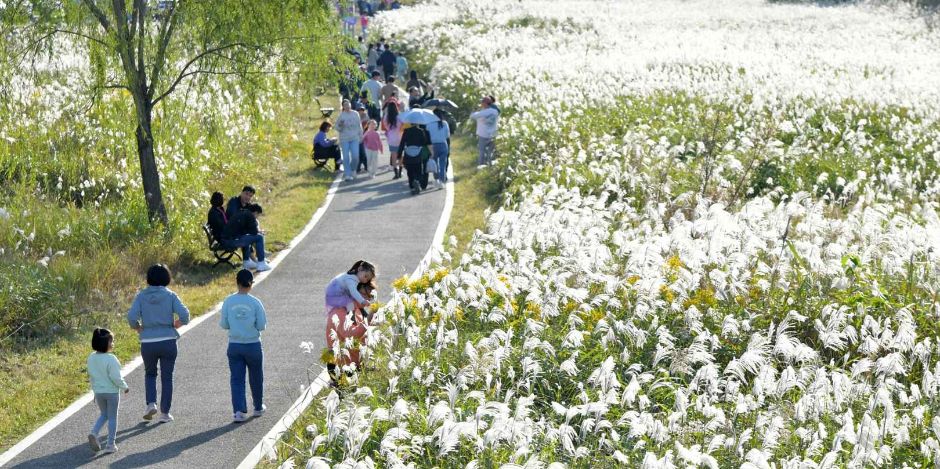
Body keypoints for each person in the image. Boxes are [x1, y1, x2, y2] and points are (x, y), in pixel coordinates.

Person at [127, 264, 190, 424]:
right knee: (167, 377)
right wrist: (177, 324)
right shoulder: (170, 295)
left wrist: (138, 328)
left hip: (148, 342)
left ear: (149, 278)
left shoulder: (141, 296)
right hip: (168, 340)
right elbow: (185, 315)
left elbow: (131, 317)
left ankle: (150, 404)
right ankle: (165, 413)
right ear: (166, 278)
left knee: (150, 374)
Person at [220, 269, 267, 423]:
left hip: (234, 344)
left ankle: (239, 411)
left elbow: (224, 324)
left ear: (237, 282)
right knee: (256, 376)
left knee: (237, 379)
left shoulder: (228, 301)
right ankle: (258, 407)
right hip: (253, 344)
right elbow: (261, 325)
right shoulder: (255, 302)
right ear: (251, 284)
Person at [324, 260, 376, 383]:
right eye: (363, 295)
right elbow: (351, 334)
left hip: (350, 362)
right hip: (342, 365)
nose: (366, 299)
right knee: (344, 392)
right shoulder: (340, 313)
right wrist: (369, 318)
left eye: (368, 296)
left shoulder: (355, 308)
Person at [87, 328, 129, 454]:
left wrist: (95, 391)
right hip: (111, 393)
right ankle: (111, 444)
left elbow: (92, 376)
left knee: (104, 414)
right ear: (105, 343)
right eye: (111, 341)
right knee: (112, 417)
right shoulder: (111, 359)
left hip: (99, 392)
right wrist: (124, 387)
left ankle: (94, 432)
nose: (113, 343)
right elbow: (116, 377)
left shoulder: (91, 358)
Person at [335, 99, 363, 181]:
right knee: (346, 157)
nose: (347, 106)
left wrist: (361, 136)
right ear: (343, 107)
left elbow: (359, 125)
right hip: (344, 139)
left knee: (355, 156)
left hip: (354, 138)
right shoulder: (341, 116)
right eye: (345, 105)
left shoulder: (355, 114)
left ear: (350, 105)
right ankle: (347, 174)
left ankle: (352, 169)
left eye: (348, 104)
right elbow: (337, 127)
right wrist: (340, 125)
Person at [398, 123, 430, 195]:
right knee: (419, 169)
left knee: (410, 171)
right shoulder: (421, 131)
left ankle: (412, 187)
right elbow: (424, 142)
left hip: (408, 153)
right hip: (418, 153)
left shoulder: (406, 131)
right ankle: (417, 180)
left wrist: (399, 155)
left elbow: (402, 143)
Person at [470, 96, 500, 167]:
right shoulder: (495, 111)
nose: (481, 104)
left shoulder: (482, 113)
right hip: (494, 134)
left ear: (485, 104)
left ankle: (481, 166)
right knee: (491, 152)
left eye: (482, 102)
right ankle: (490, 166)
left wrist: (475, 111)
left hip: (483, 134)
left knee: (482, 152)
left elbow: (472, 116)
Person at [428, 109, 451, 184]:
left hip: (433, 145)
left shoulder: (429, 123)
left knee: (435, 163)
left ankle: (436, 178)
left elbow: (427, 136)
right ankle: (442, 180)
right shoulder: (444, 123)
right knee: (442, 164)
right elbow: (447, 135)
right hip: (443, 144)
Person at [382, 102, 404, 179]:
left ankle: (396, 172)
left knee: (393, 156)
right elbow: (403, 126)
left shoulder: (386, 117)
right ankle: (401, 171)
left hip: (391, 138)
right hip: (400, 138)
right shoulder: (399, 116)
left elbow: (386, 126)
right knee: (401, 156)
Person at [357, 104, 370, 173]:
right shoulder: (355, 117)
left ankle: (366, 166)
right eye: (359, 110)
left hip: (364, 137)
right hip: (357, 137)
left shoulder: (366, 117)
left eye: (362, 110)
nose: (360, 111)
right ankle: (358, 167)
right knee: (359, 153)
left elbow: (367, 127)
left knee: (363, 153)